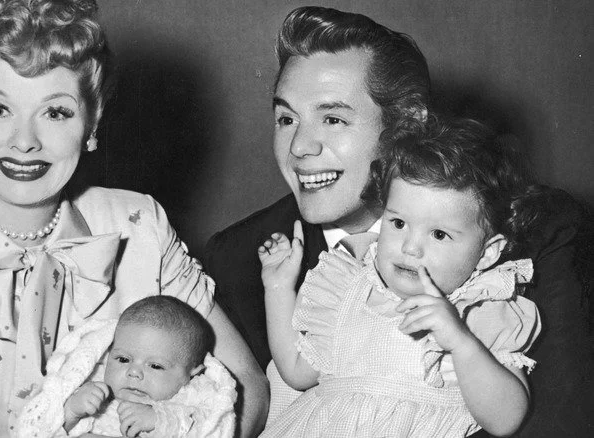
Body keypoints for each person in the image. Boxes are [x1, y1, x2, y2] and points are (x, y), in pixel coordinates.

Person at [0, 1, 267, 437]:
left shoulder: (139, 225)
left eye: (55, 112)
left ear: (91, 122)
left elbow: (247, 387)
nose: (24, 142)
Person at [204, 5, 594, 436]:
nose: (298, 147)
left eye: (332, 118)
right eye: (286, 118)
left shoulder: (540, 231)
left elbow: (559, 423)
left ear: (407, 124)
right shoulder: (238, 259)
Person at [259, 117, 541, 436]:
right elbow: (296, 372)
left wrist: (461, 343)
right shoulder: (349, 289)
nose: (409, 247)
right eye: (398, 224)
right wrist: (278, 287)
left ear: (488, 253)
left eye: (438, 234)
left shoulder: (477, 308)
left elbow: (506, 420)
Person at [18, 296, 236, 437]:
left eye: (155, 366)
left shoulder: (192, 399)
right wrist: (71, 412)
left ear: (192, 374)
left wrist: (160, 421)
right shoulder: (95, 394)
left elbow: (216, 429)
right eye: (123, 359)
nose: (134, 372)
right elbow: (35, 431)